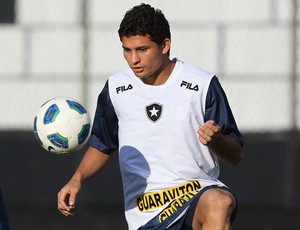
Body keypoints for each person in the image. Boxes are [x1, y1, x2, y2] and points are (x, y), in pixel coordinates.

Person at [57, 3, 243, 230]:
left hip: (196, 195)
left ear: (165, 45)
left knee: (219, 202)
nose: (133, 59)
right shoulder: (116, 88)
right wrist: (76, 180)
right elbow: (103, 144)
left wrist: (216, 140)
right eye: (127, 49)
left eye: (142, 49)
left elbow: (235, 154)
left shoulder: (202, 84)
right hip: (147, 213)